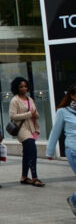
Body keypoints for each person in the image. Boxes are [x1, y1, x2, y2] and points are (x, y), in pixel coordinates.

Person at [46, 83, 76, 216]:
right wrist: (50, 151)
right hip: (73, 150)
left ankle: (74, 199)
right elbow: (55, 132)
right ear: (72, 96)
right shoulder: (63, 112)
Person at [9, 76, 44, 187]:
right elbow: (13, 116)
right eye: (21, 87)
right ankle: (35, 177)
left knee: (27, 153)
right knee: (32, 150)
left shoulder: (30, 99)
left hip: (31, 127)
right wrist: (29, 114)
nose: (24, 88)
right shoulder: (15, 100)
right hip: (21, 128)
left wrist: (34, 114)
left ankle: (24, 177)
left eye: (25, 86)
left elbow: (35, 113)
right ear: (16, 88)